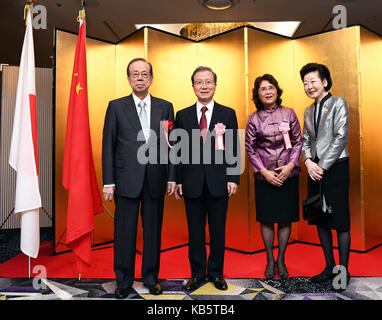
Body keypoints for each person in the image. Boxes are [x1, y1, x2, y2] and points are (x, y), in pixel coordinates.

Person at [102, 58, 176, 298]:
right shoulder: (115, 106)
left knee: (153, 232)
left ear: (152, 78)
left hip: (156, 178)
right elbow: (108, 146)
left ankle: (151, 278)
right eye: (135, 74)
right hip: (125, 180)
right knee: (125, 233)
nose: (140, 78)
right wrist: (109, 182)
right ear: (129, 78)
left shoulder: (165, 107)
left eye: (145, 74)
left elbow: (172, 145)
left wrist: (172, 177)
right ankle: (123, 282)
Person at [174, 66, 240, 291]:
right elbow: (177, 150)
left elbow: (233, 147)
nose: (204, 86)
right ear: (193, 86)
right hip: (191, 183)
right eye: (199, 82)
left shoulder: (227, 113)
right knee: (195, 232)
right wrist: (178, 179)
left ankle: (216, 273)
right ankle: (197, 273)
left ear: (215, 85)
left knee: (218, 230)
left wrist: (233, 177)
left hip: (219, 182)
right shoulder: (182, 115)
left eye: (208, 82)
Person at [245, 74, 302, 279]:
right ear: (257, 94)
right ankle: (270, 258)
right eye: (263, 89)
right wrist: (264, 172)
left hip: (288, 174)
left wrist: (290, 166)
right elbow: (250, 149)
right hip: (265, 176)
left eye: (271, 87)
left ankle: (281, 258)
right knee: (267, 219)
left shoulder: (289, 113)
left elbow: (298, 142)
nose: (268, 91)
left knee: (285, 218)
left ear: (277, 91)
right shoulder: (253, 118)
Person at [300, 62, 351, 291]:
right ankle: (329, 266)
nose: (309, 86)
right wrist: (309, 162)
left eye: (312, 81)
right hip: (314, 169)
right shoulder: (308, 111)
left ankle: (342, 271)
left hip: (336, 167)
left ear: (324, 82)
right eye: (305, 83)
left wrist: (322, 165)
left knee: (339, 220)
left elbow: (341, 136)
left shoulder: (339, 103)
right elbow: (305, 141)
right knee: (320, 216)